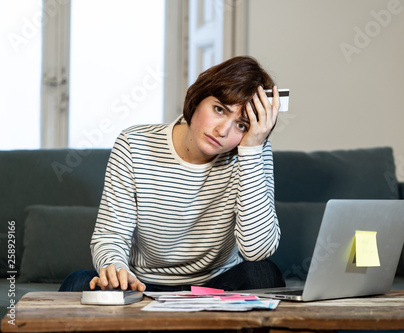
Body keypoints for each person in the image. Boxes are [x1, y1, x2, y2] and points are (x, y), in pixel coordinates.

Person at [59, 56, 285, 292]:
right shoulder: (134, 143)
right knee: (76, 284)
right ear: (198, 99)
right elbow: (112, 235)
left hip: (217, 285)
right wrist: (116, 271)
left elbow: (257, 250)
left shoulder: (253, 150)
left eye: (241, 125)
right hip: (142, 284)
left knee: (263, 274)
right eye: (219, 109)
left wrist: (251, 151)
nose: (222, 131)